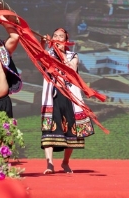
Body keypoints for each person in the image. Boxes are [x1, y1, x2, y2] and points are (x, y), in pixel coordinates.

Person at [40, 28, 94, 174]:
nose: (57, 38)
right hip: (53, 96)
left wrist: (61, 54)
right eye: (55, 36)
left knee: (72, 131)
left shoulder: (72, 56)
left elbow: (71, 68)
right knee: (49, 129)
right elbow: (40, 57)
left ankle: (65, 162)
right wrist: (43, 43)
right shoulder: (48, 54)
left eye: (61, 37)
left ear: (66, 41)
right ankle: (49, 164)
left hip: (70, 97)